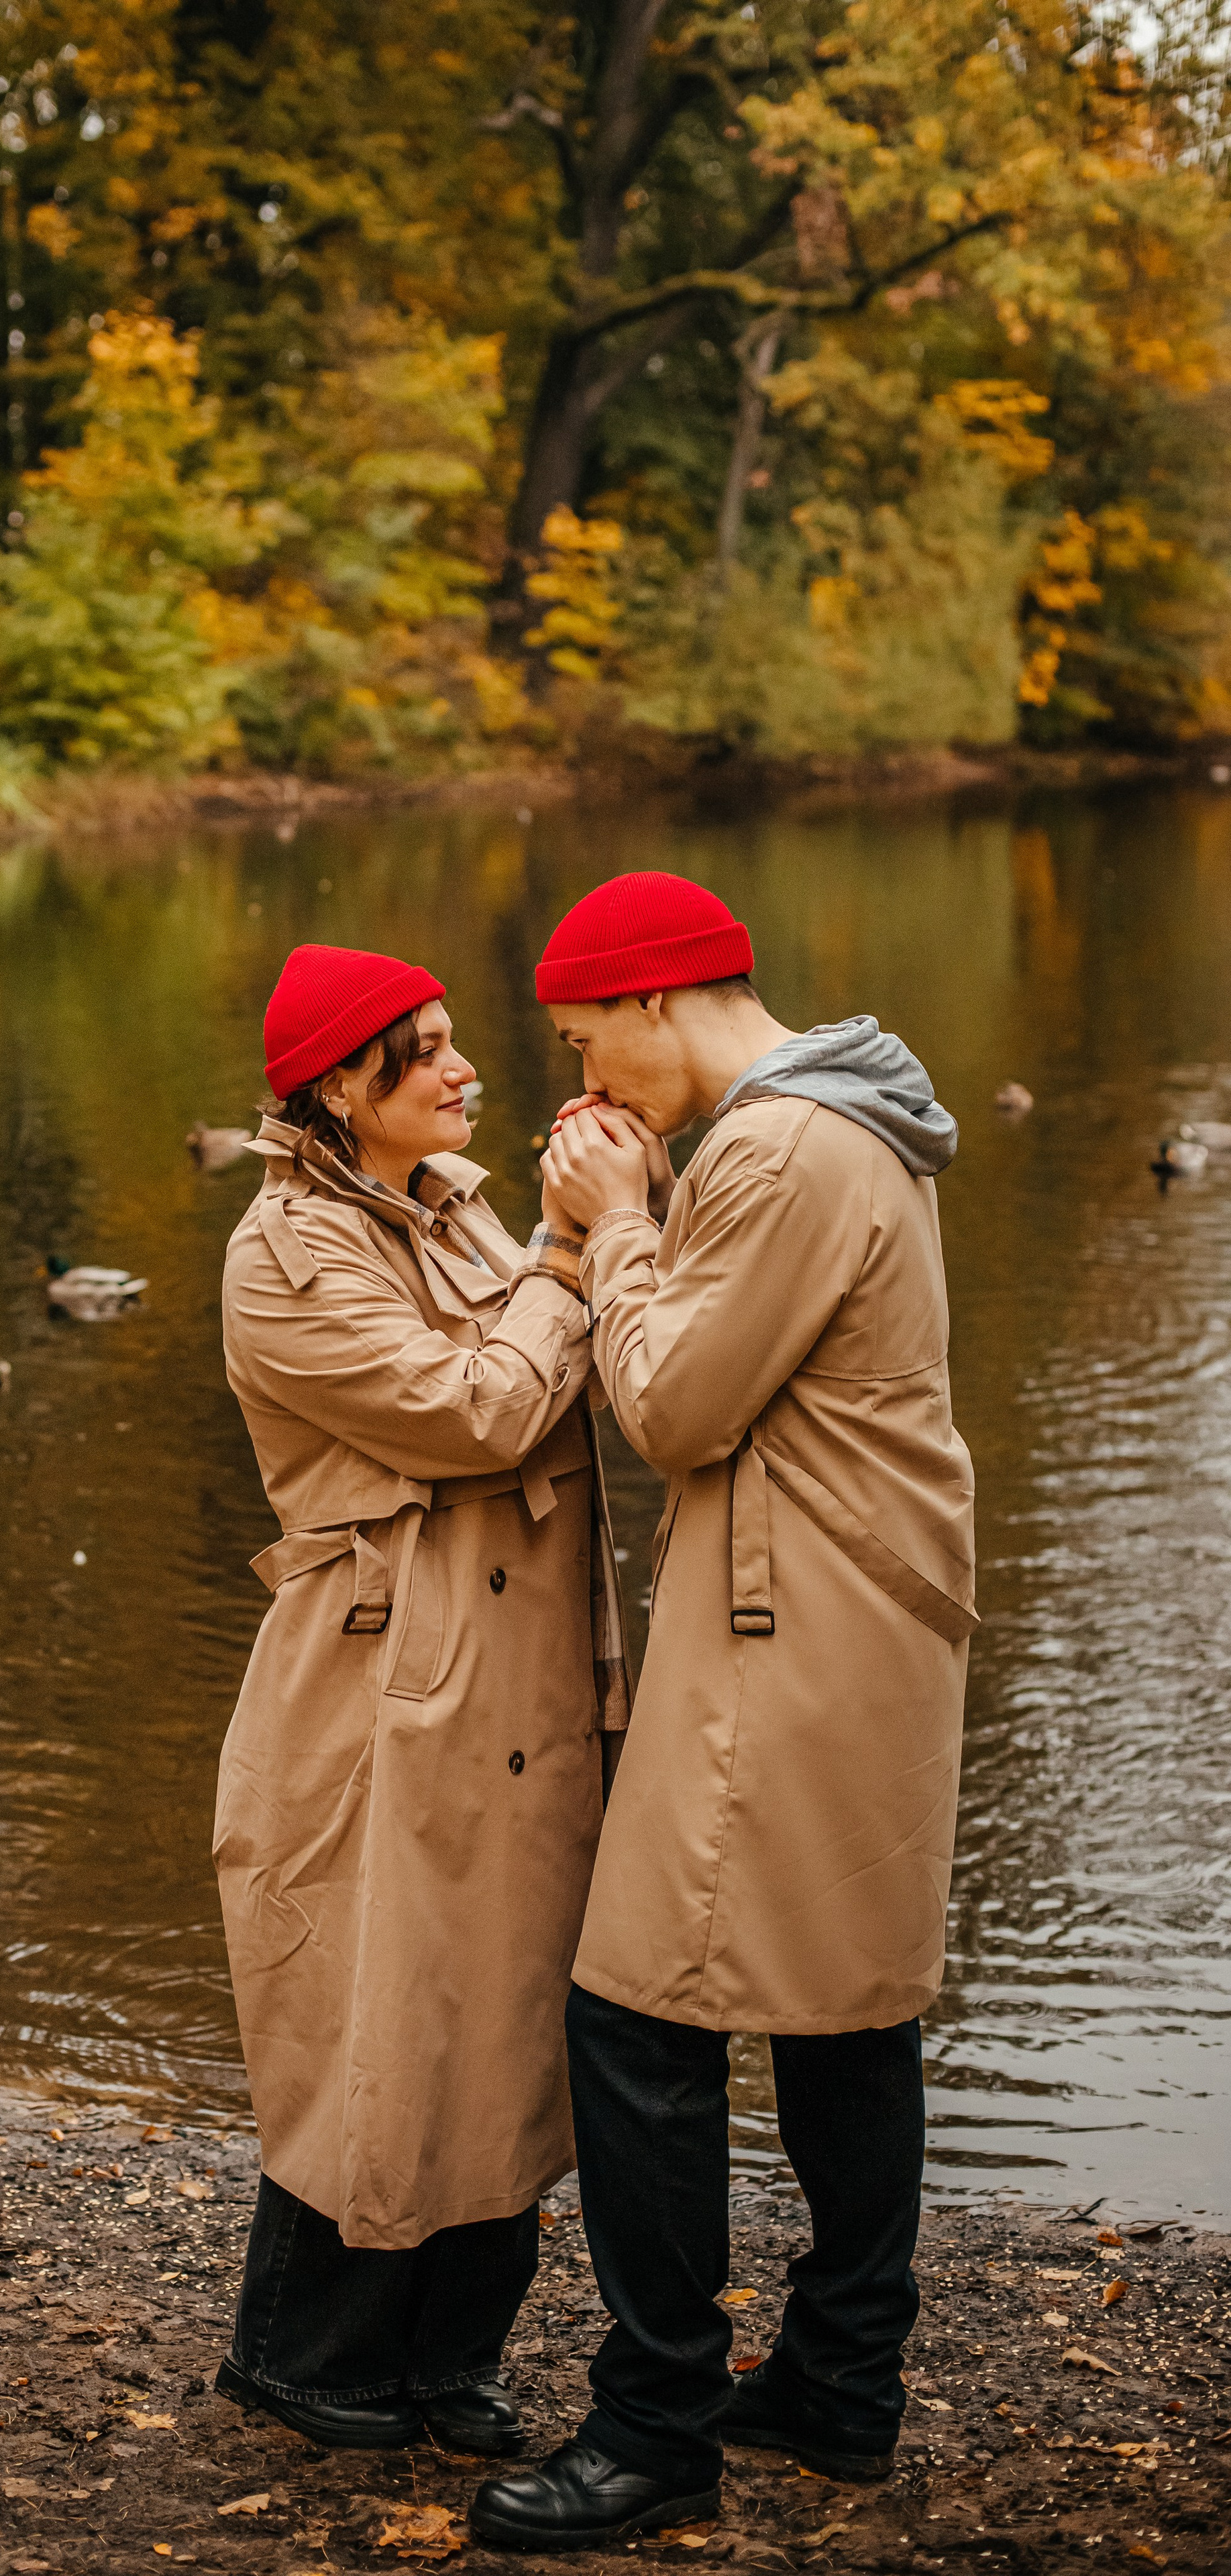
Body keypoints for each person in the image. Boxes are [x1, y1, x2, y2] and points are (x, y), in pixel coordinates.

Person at [472, 872, 975, 2552]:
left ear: (657, 997)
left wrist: (617, 1221)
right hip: (854, 1611)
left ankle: (656, 2424)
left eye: (585, 1045)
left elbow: (676, 1403)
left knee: (632, 2018)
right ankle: (838, 2390)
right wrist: (648, 1206)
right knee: (841, 2016)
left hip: (787, 1623)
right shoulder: (843, 1128)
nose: (587, 1087)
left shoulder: (774, 1147)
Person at [211, 941, 634, 2459]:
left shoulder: (452, 1207)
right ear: (341, 1083)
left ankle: (447, 2356)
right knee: (374, 2009)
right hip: (384, 1677)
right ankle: (302, 2358)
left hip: (521, 1680)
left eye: (457, 1043)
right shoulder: (284, 1253)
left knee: (506, 2016)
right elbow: (478, 1411)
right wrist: (575, 1264)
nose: (466, 1069)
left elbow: (541, 1391)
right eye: (429, 1050)